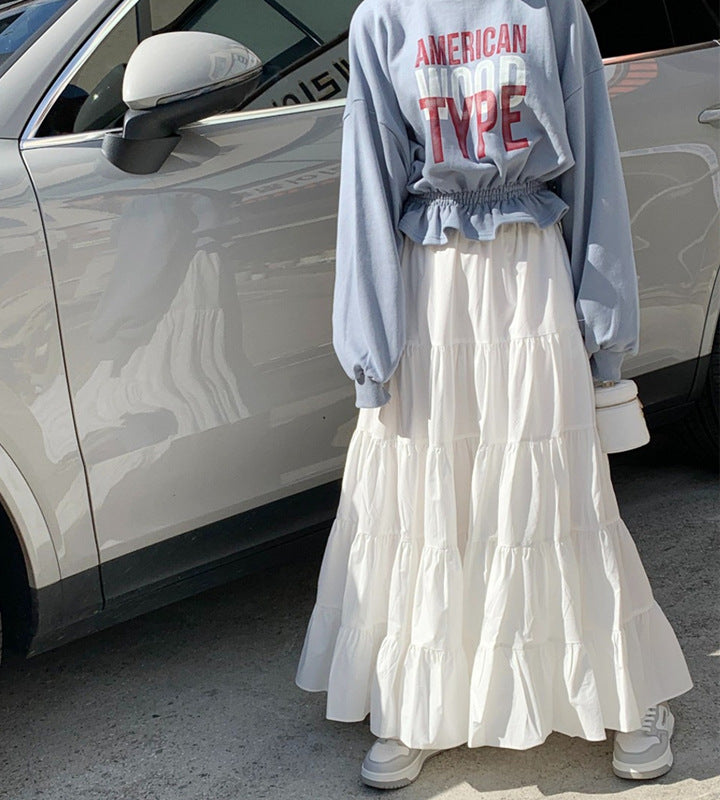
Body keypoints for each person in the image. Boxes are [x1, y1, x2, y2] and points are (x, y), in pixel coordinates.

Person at [294, 0, 694, 790]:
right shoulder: (384, 17)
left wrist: (605, 331)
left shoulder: (553, 10)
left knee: (553, 493)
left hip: (528, 275)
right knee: (431, 497)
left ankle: (622, 688)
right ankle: (420, 697)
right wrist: (368, 347)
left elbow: (591, 167)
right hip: (430, 285)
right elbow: (368, 185)